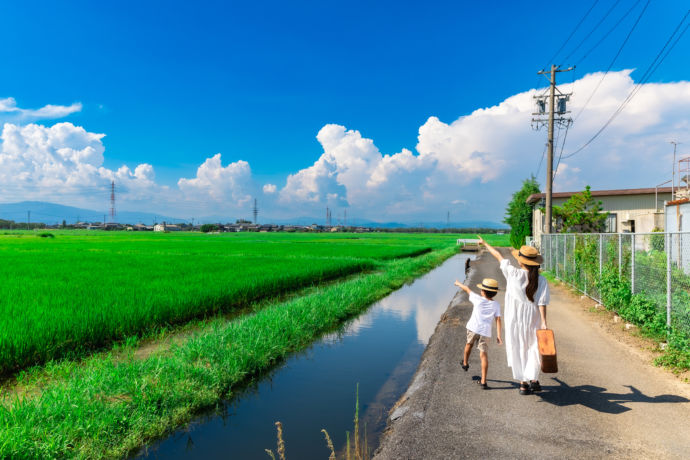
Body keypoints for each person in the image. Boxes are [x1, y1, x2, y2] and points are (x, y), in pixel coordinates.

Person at [477, 235, 549, 396]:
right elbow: (542, 302)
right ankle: (533, 379)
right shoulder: (541, 280)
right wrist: (544, 322)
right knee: (533, 348)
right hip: (534, 318)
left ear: (520, 261)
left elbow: (498, 255)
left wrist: (485, 243)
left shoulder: (512, 273)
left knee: (518, 347)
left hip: (514, 319)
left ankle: (523, 384)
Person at [453, 278, 503, 389]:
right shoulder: (496, 305)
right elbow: (498, 320)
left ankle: (465, 363)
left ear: (483, 291)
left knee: (468, 345)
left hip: (473, 328)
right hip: (485, 332)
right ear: (494, 293)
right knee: (483, 355)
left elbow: (467, 289)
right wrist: (499, 335)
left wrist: (458, 283)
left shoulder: (477, 299)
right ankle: (484, 381)